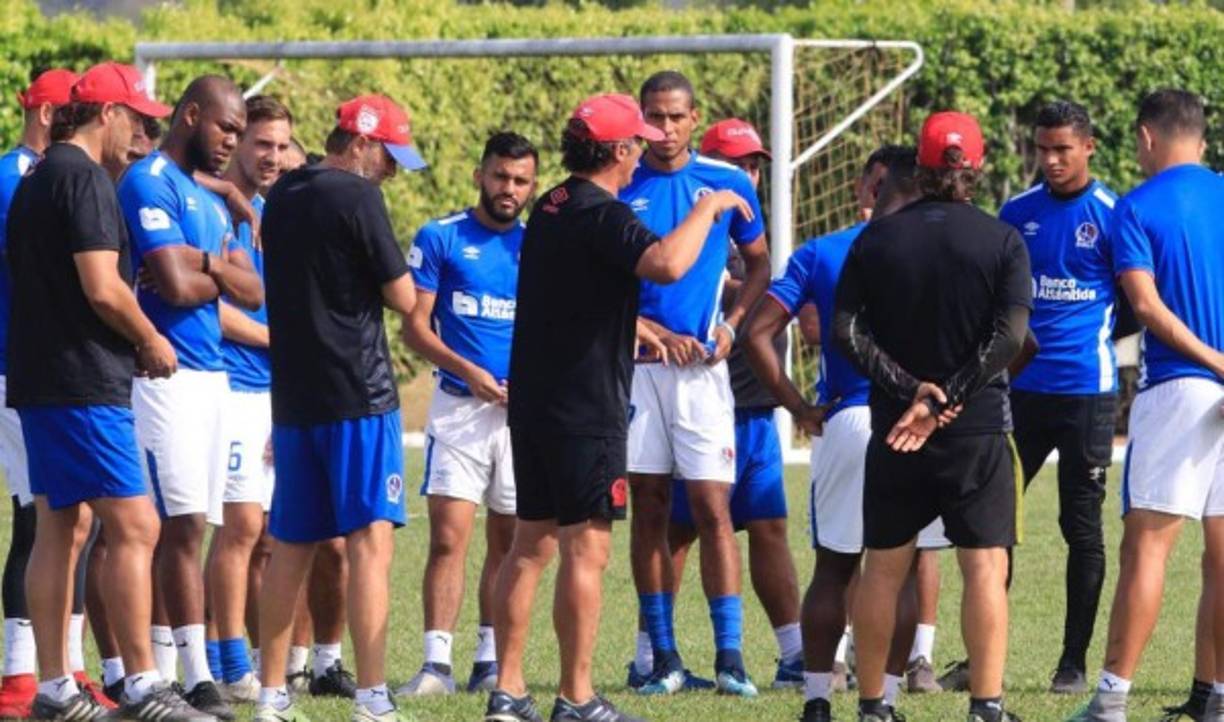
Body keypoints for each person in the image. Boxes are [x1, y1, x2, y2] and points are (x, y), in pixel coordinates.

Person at [483, 92, 753, 722]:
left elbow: (583, 298)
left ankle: (508, 691)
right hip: (586, 409)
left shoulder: (550, 205)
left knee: (528, 547)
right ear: (619, 150)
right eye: (636, 141)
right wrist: (709, 206)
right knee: (585, 552)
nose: (645, 151)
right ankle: (577, 698)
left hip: (537, 404)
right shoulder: (603, 213)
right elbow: (667, 263)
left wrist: (645, 332)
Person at [7, 60, 214, 722]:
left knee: (59, 525)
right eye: (139, 121)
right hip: (83, 382)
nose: (147, 137)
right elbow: (101, 286)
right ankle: (146, 687)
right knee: (136, 524)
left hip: (39, 378)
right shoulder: (87, 179)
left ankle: (53, 689)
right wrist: (148, 338)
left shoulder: (37, 179)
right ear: (106, 114)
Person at [833, 111, 1030, 722]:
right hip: (973, 430)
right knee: (984, 567)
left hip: (895, 429)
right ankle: (986, 707)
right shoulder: (1002, 240)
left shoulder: (876, 238)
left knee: (883, 568)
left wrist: (910, 392)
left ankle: (873, 707)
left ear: (916, 166)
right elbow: (1011, 337)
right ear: (975, 165)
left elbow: (845, 330)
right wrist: (949, 396)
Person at [747, 146, 949, 722]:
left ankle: (816, 697)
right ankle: (882, 700)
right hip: (917, 423)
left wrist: (799, 408)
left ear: (871, 190)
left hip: (847, 418)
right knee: (903, 568)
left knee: (834, 566)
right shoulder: (942, 248)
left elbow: (757, 335)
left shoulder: (822, 252)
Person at [253, 93, 423, 722]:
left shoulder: (284, 195)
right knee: (370, 542)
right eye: (389, 155)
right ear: (362, 142)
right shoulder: (358, 196)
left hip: (297, 398)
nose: (393, 169)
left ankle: (272, 696)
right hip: (359, 393)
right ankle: (373, 698)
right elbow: (403, 297)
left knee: (291, 543)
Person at [1069, 90, 1224, 722]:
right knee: (1222, 554)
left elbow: (1148, 307)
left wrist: (1215, 363)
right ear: (1204, 142)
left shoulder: (1133, 207)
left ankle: (1110, 701)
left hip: (1183, 385)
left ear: (1147, 138)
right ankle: (1215, 697)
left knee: (1148, 550)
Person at [633, 117, 803, 691]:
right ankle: (655, 657)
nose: (750, 173)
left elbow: (765, 274)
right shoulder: (646, 194)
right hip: (652, 377)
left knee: (748, 521)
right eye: (742, 162)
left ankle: (759, 656)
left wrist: (731, 328)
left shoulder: (739, 207)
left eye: (757, 163)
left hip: (734, 402)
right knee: (664, 518)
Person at [117, 74, 264, 720]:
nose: (233, 140)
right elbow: (172, 287)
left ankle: (173, 670)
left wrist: (201, 261)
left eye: (240, 131)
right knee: (168, 527)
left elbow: (251, 291)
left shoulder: (207, 199)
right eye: (227, 128)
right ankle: (183, 676)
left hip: (212, 377)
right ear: (192, 115)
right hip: (162, 377)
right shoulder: (149, 181)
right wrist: (212, 268)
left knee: (194, 527)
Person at [398, 131, 537, 697]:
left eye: (521, 181)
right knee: (448, 539)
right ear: (481, 175)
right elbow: (414, 328)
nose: (509, 189)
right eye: (501, 176)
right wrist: (469, 372)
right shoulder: (441, 237)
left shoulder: (539, 246)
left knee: (508, 539)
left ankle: (487, 657)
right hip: (458, 409)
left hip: (522, 417)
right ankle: (436, 666)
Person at [996, 100, 1120, 694]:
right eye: (1042, 149)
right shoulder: (1016, 213)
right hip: (1018, 392)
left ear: (1088, 147)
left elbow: (1136, 302)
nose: (1050, 160)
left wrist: (1088, 335)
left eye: (1062, 150)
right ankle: (982, 657)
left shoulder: (1114, 215)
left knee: (1082, 528)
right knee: (992, 523)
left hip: (1087, 395)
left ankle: (1072, 662)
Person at [200, 94, 294, 704]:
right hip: (227, 385)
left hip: (268, 390)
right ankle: (224, 662)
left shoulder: (266, 210)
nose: (273, 156)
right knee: (233, 526)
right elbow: (213, 309)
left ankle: (235, 654)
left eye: (283, 146)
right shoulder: (212, 208)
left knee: (262, 534)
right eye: (263, 144)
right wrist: (276, 340)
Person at [0, 66, 81, 718]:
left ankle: (63, 670)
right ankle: (23, 677)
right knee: (42, 516)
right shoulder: (17, 178)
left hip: (38, 369)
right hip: (19, 368)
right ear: (53, 114)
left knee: (62, 516)